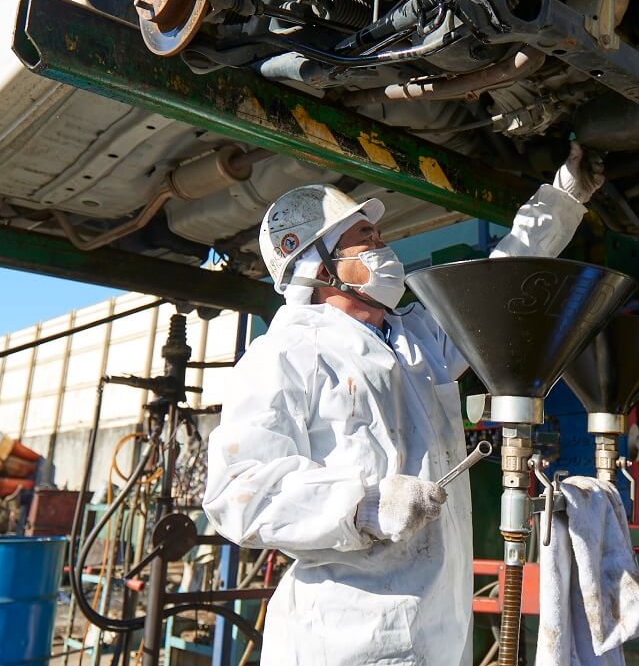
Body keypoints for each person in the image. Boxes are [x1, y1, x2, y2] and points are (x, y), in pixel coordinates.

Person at [203, 144, 604, 666]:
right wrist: (363, 504)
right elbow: (239, 492)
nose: (381, 244)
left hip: (440, 628)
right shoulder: (284, 353)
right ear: (314, 264)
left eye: (377, 234)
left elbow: (500, 278)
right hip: (345, 638)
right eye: (362, 237)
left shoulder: (413, 338)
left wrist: (563, 198)